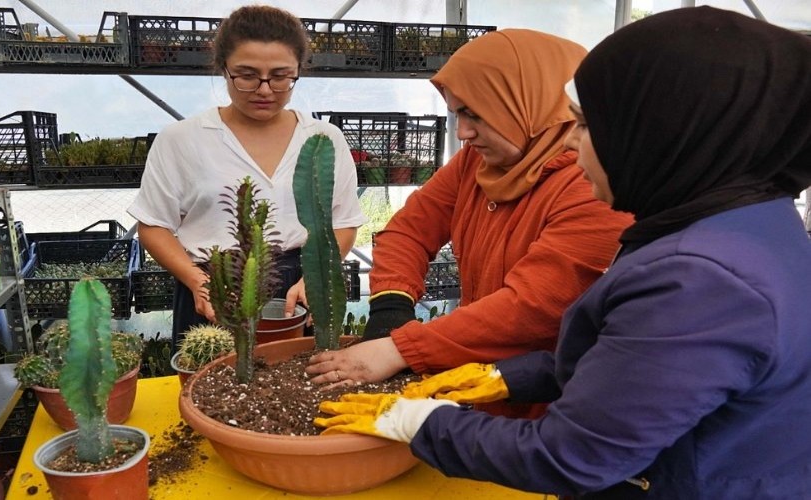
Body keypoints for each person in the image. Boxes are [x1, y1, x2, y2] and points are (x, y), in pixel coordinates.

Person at [313, 7, 811, 499]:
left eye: (588, 125)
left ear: (662, 130)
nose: (571, 141)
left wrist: (416, 420)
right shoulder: (744, 220)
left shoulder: (702, 278)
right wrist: (502, 375)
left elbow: (573, 454)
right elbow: (630, 359)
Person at [306, 28, 632, 418]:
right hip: (476, 383)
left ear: (529, 103)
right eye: (458, 113)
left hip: (551, 406)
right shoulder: (476, 163)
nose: (462, 131)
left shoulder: (592, 185)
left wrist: (400, 349)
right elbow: (408, 231)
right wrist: (390, 309)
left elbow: (532, 308)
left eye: (475, 114)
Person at [128, 5, 367, 346]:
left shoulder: (323, 140)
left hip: (300, 287)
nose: (265, 89)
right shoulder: (182, 139)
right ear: (223, 69)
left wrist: (316, 279)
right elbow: (153, 225)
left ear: (299, 71)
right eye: (247, 75)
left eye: (281, 76)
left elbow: (344, 222)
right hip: (215, 288)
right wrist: (197, 281)